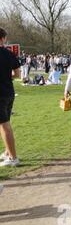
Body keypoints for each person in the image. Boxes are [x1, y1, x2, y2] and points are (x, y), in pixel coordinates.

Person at [0, 27, 21, 167]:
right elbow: (17, 74)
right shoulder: (9, 54)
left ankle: (13, 157)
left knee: (4, 124)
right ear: (3, 39)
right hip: (8, 91)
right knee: (4, 123)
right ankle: (8, 152)